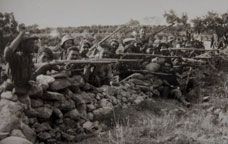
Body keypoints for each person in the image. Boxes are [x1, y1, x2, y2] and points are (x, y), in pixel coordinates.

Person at [4, 31, 38, 108]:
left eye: (34, 43)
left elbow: (31, 71)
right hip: (15, 92)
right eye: (31, 43)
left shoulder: (28, 57)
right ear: (23, 45)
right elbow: (7, 54)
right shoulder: (16, 57)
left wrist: (32, 80)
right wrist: (21, 34)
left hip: (24, 90)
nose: (34, 45)